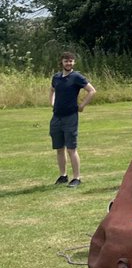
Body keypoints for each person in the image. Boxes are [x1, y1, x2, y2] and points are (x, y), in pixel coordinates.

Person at [50, 51, 96, 188]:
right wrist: (52, 102)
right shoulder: (56, 77)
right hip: (56, 117)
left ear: (74, 62)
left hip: (70, 117)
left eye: (71, 61)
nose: (68, 63)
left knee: (71, 148)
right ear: (61, 62)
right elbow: (52, 90)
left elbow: (92, 91)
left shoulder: (76, 77)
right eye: (66, 61)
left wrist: (82, 105)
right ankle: (63, 176)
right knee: (59, 148)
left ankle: (77, 178)